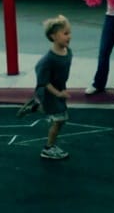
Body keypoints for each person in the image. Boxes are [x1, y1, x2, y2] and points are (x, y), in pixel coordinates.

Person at [18, 15, 73, 160]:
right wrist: (58, 94)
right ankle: (48, 148)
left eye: (69, 33)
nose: (69, 36)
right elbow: (44, 82)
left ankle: (35, 107)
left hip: (59, 90)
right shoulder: (47, 60)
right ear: (53, 36)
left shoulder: (68, 52)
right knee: (60, 119)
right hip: (49, 92)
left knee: (59, 117)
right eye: (65, 33)